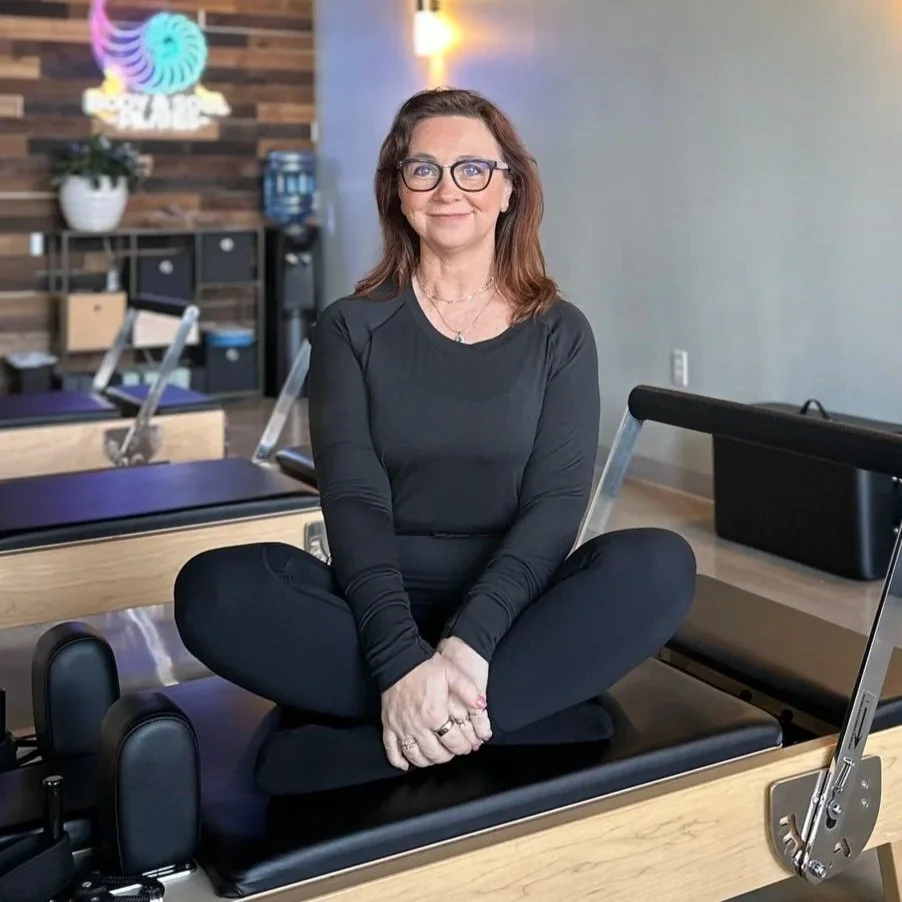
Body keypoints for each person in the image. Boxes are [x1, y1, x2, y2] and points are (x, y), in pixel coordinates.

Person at [173, 87, 697, 796]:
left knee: (660, 565)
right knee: (212, 590)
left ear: (510, 187)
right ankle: (516, 714)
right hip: (371, 607)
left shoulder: (560, 332)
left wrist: (468, 643)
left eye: (473, 169)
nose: (449, 190)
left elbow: (555, 506)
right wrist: (396, 658)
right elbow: (354, 501)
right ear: (398, 190)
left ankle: (392, 731)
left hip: (515, 611)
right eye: (424, 170)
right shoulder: (349, 329)